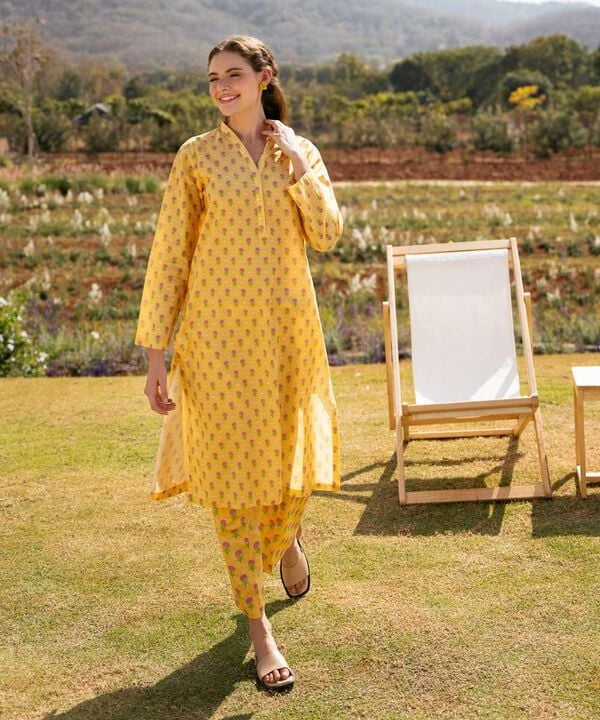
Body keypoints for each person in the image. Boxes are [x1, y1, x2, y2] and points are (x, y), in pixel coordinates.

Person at [134, 34, 343, 693]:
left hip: (288, 340)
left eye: (233, 74)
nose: (221, 87)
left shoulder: (298, 151)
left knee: (288, 465)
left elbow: (327, 235)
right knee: (229, 483)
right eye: (213, 78)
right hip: (216, 345)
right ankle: (260, 631)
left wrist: (296, 164)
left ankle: (287, 538)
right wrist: (157, 356)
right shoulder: (196, 157)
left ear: (264, 77)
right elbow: (170, 255)